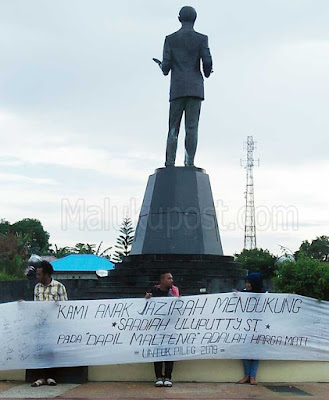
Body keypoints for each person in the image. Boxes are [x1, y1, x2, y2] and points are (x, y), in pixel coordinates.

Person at [160, 6, 213, 167]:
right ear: (195, 19)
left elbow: (166, 69)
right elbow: (207, 62)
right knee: (192, 128)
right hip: (195, 89)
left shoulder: (170, 39)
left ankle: (170, 162)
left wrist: (162, 65)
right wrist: (207, 72)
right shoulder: (202, 39)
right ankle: (189, 162)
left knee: (173, 127)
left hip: (177, 89)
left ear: (179, 19)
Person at [31, 260, 68, 387]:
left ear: (46, 274)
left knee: (52, 350)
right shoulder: (37, 288)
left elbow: (65, 306)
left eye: (39, 274)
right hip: (40, 324)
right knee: (40, 350)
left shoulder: (59, 287)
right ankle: (41, 377)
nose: (37, 277)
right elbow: (35, 306)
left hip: (54, 324)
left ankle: (51, 376)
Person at [145, 272, 179, 387]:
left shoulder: (174, 291)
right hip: (157, 328)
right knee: (158, 352)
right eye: (169, 278)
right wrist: (147, 298)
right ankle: (159, 377)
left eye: (172, 278)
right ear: (162, 280)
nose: (171, 280)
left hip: (170, 327)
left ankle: (168, 377)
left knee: (169, 353)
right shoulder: (153, 291)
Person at [237, 272, 265, 386]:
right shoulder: (243, 293)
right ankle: (247, 375)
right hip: (245, 327)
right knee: (244, 352)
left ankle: (252, 376)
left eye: (249, 282)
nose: (247, 284)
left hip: (259, 327)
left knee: (256, 354)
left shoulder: (265, 294)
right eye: (246, 282)